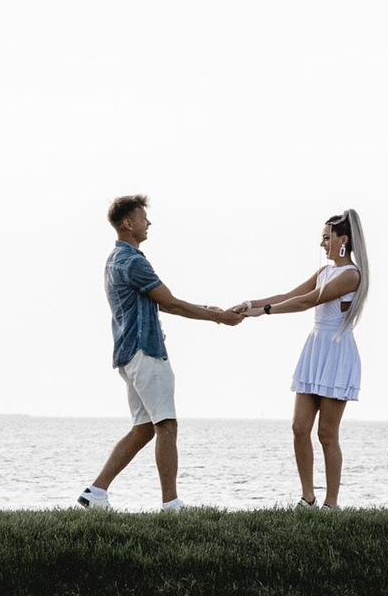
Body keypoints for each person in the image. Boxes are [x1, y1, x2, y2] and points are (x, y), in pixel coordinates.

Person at [78, 195, 246, 511]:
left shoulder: (114, 259)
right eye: (144, 218)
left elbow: (161, 302)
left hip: (128, 353)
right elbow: (169, 302)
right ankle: (171, 504)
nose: (149, 223)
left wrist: (208, 310)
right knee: (166, 425)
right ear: (128, 223)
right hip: (146, 352)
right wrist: (219, 318)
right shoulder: (133, 262)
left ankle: (95, 493)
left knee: (144, 429)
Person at [233, 208, 370, 506]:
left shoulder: (351, 275)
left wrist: (264, 312)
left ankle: (331, 503)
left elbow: (308, 301)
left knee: (327, 434)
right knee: (299, 428)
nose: (322, 244)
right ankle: (308, 498)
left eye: (327, 238)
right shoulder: (324, 273)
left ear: (343, 240)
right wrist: (250, 303)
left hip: (336, 353)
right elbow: (289, 296)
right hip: (315, 350)